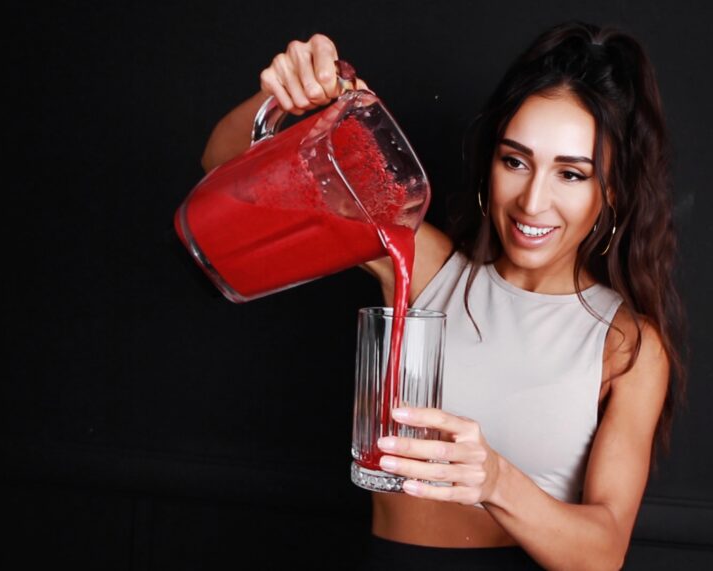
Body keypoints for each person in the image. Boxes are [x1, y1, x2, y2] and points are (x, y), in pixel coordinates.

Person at [200, 20, 687, 571]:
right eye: (515, 161)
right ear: (490, 166)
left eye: (571, 175)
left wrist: (495, 480)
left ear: (612, 192)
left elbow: (603, 553)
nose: (533, 201)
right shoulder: (426, 268)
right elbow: (226, 170)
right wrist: (285, 97)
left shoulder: (627, 344)